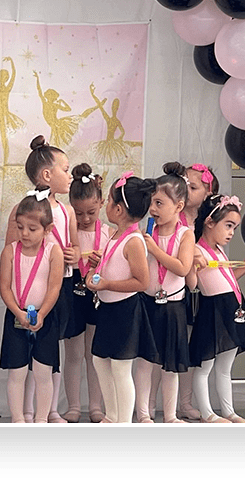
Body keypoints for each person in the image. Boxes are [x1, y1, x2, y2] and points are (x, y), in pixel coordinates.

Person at [4, 135, 79, 422]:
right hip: (26, 293)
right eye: (65, 169)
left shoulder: (67, 210)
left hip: (58, 288)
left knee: (50, 351)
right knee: (23, 356)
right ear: (47, 175)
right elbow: (12, 253)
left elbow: (74, 248)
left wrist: (74, 256)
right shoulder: (21, 211)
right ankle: (24, 412)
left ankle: (50, 411)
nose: (69, 175)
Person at [84, 173, 159, 423]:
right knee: (99, 361)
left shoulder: (134, 241)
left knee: (120, 368)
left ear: (118, 208)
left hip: (126, 310)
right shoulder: (115, 235)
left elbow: (142, 282)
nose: (105, 206)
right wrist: (97, 269)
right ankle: (112, 415)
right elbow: (110, 269)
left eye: (107, 201)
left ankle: (124, 420)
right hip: (108, 308)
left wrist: (106, 283)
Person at [187, 193, 245, 423]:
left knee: (225, 367)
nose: (231, 233)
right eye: (228, 226)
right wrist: (194, 265)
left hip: (231, 308)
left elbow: (224, 279)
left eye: (234, 228)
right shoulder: (198, 249)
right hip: (213, 311)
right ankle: (208, 413)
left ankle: (229, 412)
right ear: (209, 221)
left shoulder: (219, 250)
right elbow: (197, 282)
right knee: (205, 365)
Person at [134, 162, 196, 423]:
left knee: (170, 366)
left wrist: (156, 251)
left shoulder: (186, 234)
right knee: (145, 363)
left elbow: (182, 268)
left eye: (160, 203)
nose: (153, 209)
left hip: (172, 307)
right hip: (147, 304)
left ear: (178, 206)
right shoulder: (146, 231)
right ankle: (143, 414)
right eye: (152, 203)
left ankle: (170, 416)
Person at [0, 187, 65, 423]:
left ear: (48, 230)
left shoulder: (53, 251)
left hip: (45, 318)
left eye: (32, 229)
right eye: (20, 227)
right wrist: (18, 312)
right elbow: (5, 288)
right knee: (16, 372)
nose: (24, 233)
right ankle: (18, 418)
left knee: (42, 372)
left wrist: (42, 314)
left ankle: (41, 419)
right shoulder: (9, 251)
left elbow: (54, 288)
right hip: (16, 316)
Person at [66, 162, 111, 422]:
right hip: (72, 294)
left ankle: (95, 405)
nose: (84, 219)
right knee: (72, 354)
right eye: (78, 213)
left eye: (90, 213)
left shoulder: (107, 233)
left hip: (97, 294)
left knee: (94, 354)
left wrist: (101, 262)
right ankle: (73, 406)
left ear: (102, 203)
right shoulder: (65, 233)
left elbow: (117, 265)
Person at [177, 161, 220, 420]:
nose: (186, 191)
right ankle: (152, 404)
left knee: (193, 346)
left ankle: (186, 401)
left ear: (208, 193)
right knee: (172, 345)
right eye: (183, 186)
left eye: (193, 187)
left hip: (202, 288)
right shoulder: (174, 216)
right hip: (175, 286)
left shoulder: (209, 221)